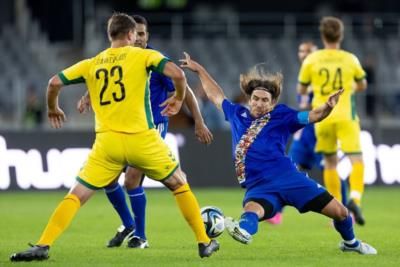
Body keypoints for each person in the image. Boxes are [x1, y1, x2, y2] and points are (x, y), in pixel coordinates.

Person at [10, 13, 219, 262]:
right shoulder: (143, 55)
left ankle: (43, 245)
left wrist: (53, 108)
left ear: (110, 35)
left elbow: (54, 82)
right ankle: (203, 242)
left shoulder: (93, 62)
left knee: (76, 195)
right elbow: (178, 74)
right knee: (178, 184)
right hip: (142, 139)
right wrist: (177, 97)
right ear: (131, 34)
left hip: (107, 144)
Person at [180, 52, 376, 254]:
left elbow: (313, 115)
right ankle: (243, 230)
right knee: (251, 211)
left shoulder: (282, 115)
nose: (259, 103)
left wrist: (327, 107)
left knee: (341, 213)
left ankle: (351, 244)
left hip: (288, 178)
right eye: (255, 98)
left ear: (272, 103)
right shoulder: (237, 114)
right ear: (249, 99)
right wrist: (199, 70)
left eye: (265, 100)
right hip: (258, 185)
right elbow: (215, 95)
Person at [77, 14, 213, 249]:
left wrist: (199, 122)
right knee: (108, 180)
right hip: (122, 129)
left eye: (142, 33)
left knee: (131, 179)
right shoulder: (123, 58)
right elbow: (108, 80)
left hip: (152, 126)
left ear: (146, 36)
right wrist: (88, 95)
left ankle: (140, 236)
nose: (138, 38)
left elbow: (186, 89)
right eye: (135, 33)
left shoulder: (153, 60)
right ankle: (129, 224)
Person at [297, 16, 367, 225]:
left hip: (323, 116)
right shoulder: (350, 59)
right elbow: (362, 84)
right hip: (346, 116)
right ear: (341, 35)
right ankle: (355, 199)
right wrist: (352, 87)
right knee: (356, 159)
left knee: (329, 162)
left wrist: (316, 88)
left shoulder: (312, 60)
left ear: (323, 35)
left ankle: (338, 208)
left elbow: (301, 89)